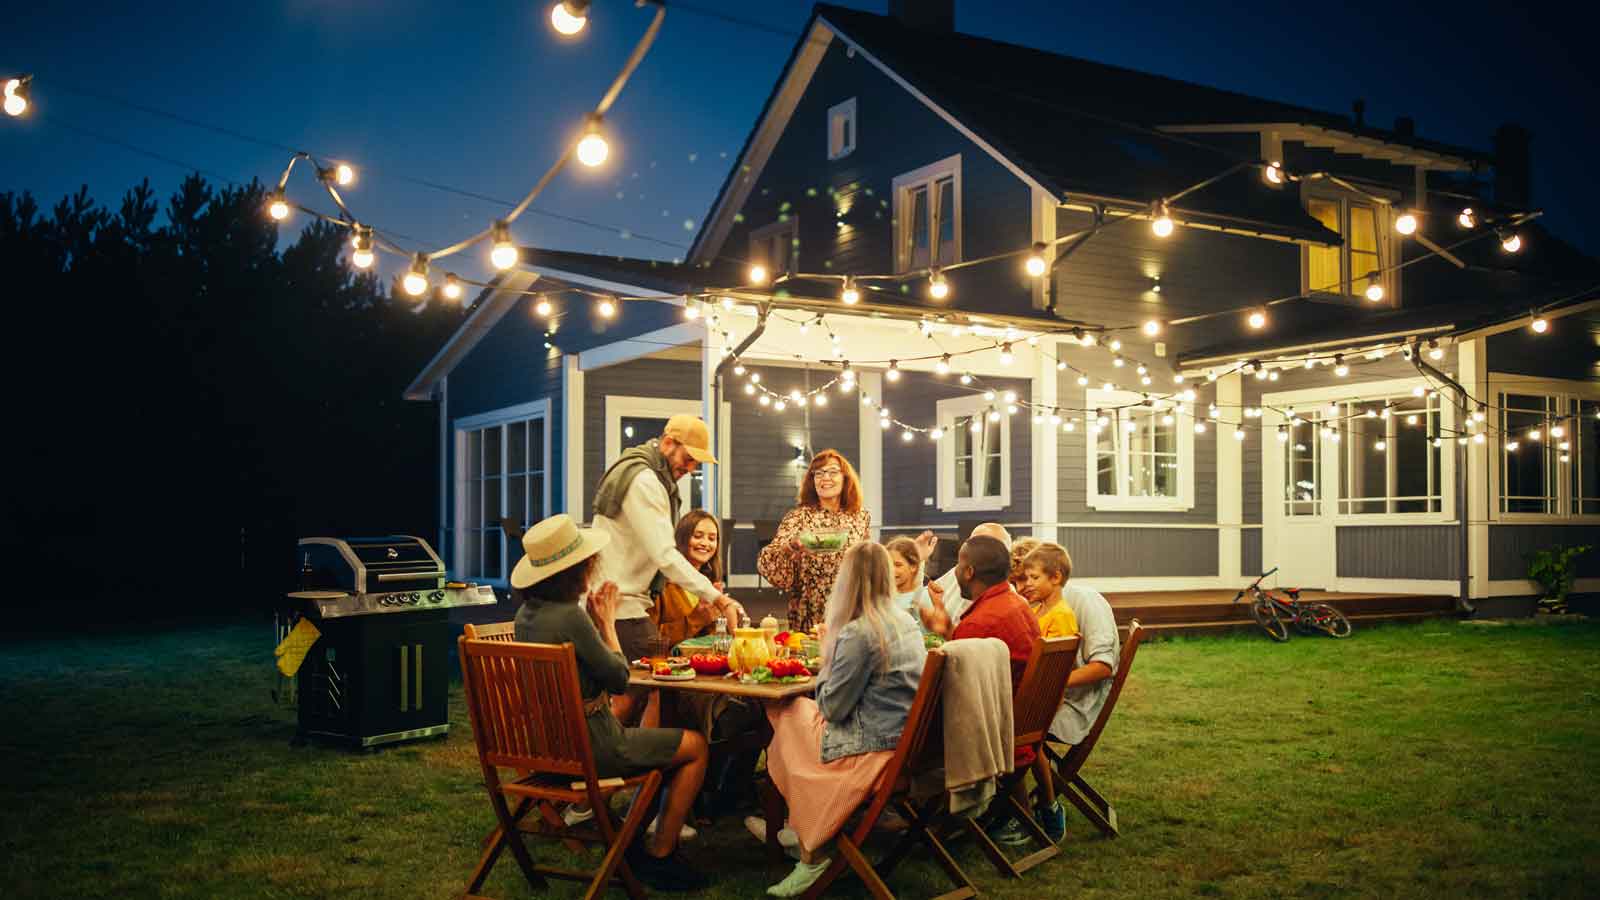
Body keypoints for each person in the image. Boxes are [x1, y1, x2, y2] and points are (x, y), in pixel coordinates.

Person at [509, 514, 710, 892]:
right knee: (695, 746)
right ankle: (660, 854)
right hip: (590, 746)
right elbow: (619, 678)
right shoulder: (571, 617)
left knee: (658, 746)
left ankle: (629, 839)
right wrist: (606, 625)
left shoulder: (526, 616)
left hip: (545, 746)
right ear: (577, 570)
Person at [746, 542, 925, 897]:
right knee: (794, 714)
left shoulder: (860, 632)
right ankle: (799, 828)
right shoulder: (905, 620)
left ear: (846, 582)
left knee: (786, 714)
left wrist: (829, 653)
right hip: (905, 740)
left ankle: (810, 848)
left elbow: (832, 708)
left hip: (873, 747)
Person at [592, 415, 746, 725]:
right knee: (642, 687)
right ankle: (599, 756)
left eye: (695, 463)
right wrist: (720, 599)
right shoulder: (645, 481)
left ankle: (638, 762)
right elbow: (665, 554)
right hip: (621, 605)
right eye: (688, 459)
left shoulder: (650, 477)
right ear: (667, 444)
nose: (691, 469)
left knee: (645, 691)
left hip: (623, 600)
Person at [1005, 541, 1081, 845]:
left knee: (1013, 740)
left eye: (1034, 578)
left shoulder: (1060, 616)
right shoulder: (1038, 610)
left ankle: (1035, 811)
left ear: (1056, 577)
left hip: (1044, 700)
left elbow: (1055, 670)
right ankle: (1020, 810)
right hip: (1031, 695)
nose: (1028, 585)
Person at [756, 449, 873, 632]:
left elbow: (866, 560)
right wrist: (791, 547)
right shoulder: (798, 516)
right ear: (812, 480)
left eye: (833, 472)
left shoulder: (860, 517)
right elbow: (770, 558)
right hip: (809, 607)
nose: (825, 478)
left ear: (845, 478)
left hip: (851, 606)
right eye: (818, 473)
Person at [917, 535, 1039, 684]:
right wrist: (948, 629)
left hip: (998, 706)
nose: (955, 572)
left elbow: (957, 683)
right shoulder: (1019, 603)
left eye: (958, 564)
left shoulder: (979, 623)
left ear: (969, 572)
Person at [913, 522, 1013, 625]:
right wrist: (917, 561)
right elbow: (919, 602)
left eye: (988, 547)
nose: (975, 550)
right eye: (973, 543)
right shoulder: (959, 571)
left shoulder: (1008, 604)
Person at [650, 510, 724, 649]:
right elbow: (651, 638)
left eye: (712, 538)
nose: (705, 543)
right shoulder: (661, 583)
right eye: (697, 536)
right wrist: (696, 619)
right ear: (682, 538)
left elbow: (708, 639)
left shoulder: (709, 584)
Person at [884, 537, 932, 625]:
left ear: (913, 567)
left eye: (898, 565)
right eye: (888, 564)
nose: (891, 570)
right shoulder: (881, 596)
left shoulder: (923, 598)